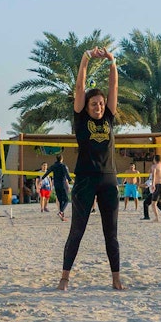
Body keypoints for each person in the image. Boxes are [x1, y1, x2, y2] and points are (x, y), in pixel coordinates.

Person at [59, 47, 124, 291]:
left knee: (112, 233)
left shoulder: (108, 117)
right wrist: (85, 58)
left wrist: (112, 62)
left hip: (108, 179)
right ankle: (64, 278)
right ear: (86, 106)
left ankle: (116, 279)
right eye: (93, 103)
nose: (98, 106)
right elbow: (79, 88)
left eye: (100, 103)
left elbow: (114, 88)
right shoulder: (80, 119)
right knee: (77, 231)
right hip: (85, 180)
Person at [47, 155, 71, 221]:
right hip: (62, 184)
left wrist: (42, 178)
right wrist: (71, 180)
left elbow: (48, 172)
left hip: (56, 185)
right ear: (62, 159)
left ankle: (62, 216)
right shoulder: (63, 166)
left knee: (60, 200)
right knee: (66, 199)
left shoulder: (54, 166)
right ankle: (61, 212)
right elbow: (67, 175)